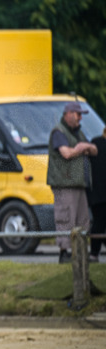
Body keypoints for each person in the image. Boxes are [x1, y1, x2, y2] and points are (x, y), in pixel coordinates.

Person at [47, 102, 98, 263]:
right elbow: (66, 153)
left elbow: (94, 150)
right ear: (68, 114)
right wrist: (81, 148)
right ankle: (65, 253)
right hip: (64, 184)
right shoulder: (58, 132)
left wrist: (84, 146)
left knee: (82, 220)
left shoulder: (78, 133)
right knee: (66, 218)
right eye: (78, 114)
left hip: (79, 183)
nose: (80, 118)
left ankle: (80, 253)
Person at [89, 126, 106, 262]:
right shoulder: (96, 143)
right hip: (100, 192)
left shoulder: (95, 142)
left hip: (96, 192)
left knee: (99, 223)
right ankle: (94, 253)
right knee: (99, 224)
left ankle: (94, 253)